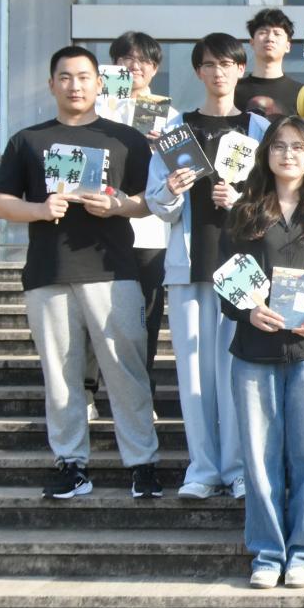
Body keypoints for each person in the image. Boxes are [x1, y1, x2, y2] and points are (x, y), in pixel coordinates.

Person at [0, 45, 161, 500]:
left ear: (99, 83)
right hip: (49, 272)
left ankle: (142, 463)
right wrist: (39, 209)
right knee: (61, 374)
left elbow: (149, 200)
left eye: (84, 77)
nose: (75, 85)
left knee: (125, 371)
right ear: (51, 84)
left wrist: (117, 205)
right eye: (65, 77)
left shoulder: (124, 138)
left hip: (113, 271)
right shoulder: (28, 140)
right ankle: (70, 463)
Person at [221, 115, 304, 589]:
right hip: (254, 352)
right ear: (266, 154)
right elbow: (225, 281)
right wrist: (247, 310)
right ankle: (266, 552)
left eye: (298, 146)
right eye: (279, 145)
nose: (288, 154)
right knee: (260, 458)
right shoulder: (245, 211)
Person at [146, 32, 268, 501]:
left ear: (241, 69)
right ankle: (202, 468)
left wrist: (241, 201)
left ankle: (238, 468)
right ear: (199, 71)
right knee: (193, 373)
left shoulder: (259, 129)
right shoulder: (177, 129)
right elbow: (158, 203)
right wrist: (172, 189)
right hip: (190, 265)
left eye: (228, 64)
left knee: (236, 371)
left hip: (243, 268)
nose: (219, 72)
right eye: (210, 65)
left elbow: (279, 198)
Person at [101, 31, 178, 387]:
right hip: (101, 227)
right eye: (127, 59)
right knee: (99, 313)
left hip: (151, 232)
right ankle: (92, 389)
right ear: (114, 64)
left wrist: (162, 149)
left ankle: (141, 390)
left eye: (144, 60)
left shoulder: (170, 116)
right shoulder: (97, 107)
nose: (135, 66)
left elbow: (183, 169)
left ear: (155, 68)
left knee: (146, 314)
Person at [234, 8, 304, 121]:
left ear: (288, 46)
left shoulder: (302, 94)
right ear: (252, 43)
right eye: (263, 32)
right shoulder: (233, 89)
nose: (270, 38)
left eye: (277, 33)